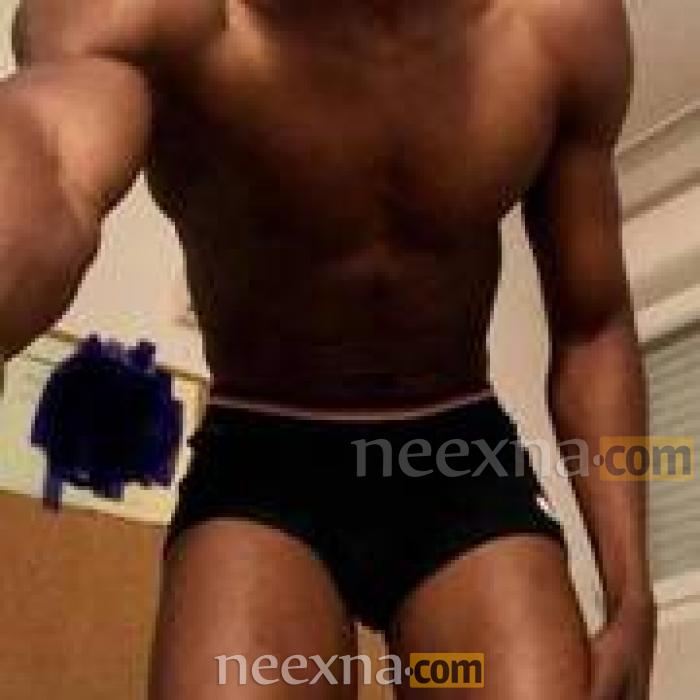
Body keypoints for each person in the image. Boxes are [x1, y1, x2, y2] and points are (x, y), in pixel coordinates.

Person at [0, 1, 656, 698]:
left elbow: (593, 326)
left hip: (458, 456)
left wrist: (632, 594)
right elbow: (49, 160)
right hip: (262, 459)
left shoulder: (560, 28)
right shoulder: (148, 14)